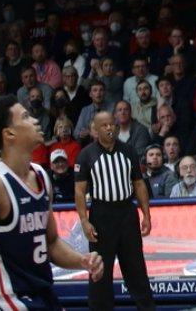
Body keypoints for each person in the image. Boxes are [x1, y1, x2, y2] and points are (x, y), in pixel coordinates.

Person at [0, 95, 103, 309]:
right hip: (9, 300)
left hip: (44, 294)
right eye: (26, 117)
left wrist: (81, 260)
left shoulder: (40, 175)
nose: (35, 121)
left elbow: (50, 242)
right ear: (9, 133)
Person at [74, 110, 155, 310]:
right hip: (101, 215)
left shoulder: (129, 151)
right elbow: (79, 190)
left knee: (136, 269)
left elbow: (139, 184)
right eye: (105, 125)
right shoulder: (86, 154)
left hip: (127, 213)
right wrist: (84, 221)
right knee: (100, 270)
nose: (110, 128)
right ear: (95, 129)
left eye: (112, 124)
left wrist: (146, 214)